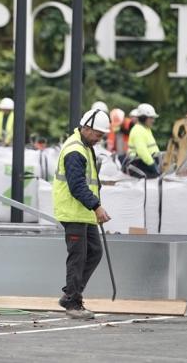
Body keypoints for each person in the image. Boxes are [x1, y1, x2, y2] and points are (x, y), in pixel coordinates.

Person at [53, 109, 112, 319]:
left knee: (94, 252)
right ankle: (73, 303)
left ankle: (71, 294)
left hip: (83, 212)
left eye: (102, 135)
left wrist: (94, 206)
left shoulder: (86, 146)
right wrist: (96, 206)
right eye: (97, 134)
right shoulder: (75, 150)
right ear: (86, 128)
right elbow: (77, 186)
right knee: (78, 257)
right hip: (73, 212)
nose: (99, 139)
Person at [127, 103, 160, 177]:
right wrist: (152, 165)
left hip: (146, 165)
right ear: (143, 118)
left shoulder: (146, 129)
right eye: (151, 118)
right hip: (141, 166)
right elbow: (142, 151)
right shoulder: (138, 130)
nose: (153, 120)